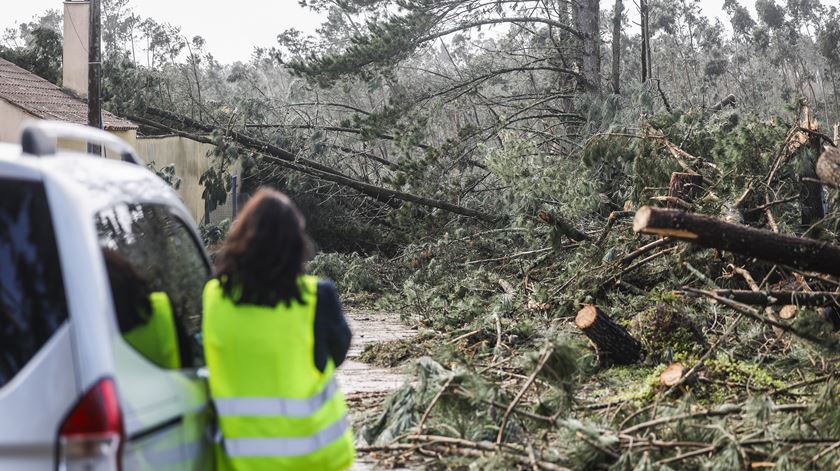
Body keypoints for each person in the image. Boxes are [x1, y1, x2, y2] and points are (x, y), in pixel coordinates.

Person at [202, 188, 354, 471]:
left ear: (238, 240)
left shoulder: (213, 297)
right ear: (296, 244)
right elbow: (337, 352)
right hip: (315, 459)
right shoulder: (317, 297)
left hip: (241, 462)